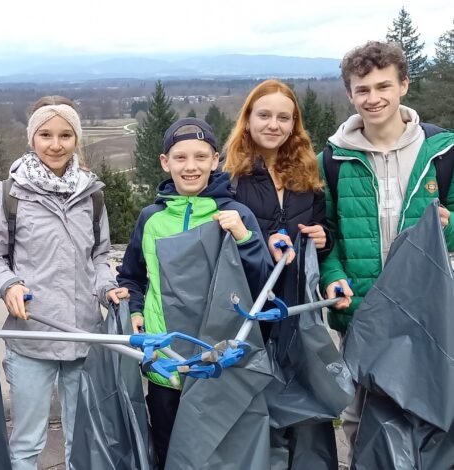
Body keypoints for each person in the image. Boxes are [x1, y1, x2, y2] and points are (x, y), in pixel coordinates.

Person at [319, 40, 454, 458]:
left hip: (431, 309)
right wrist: (332, 276)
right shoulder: (335, 159)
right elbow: (328, 235)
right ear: (350, 94)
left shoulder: (443, 153)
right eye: (363, 89)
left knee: (437, 415)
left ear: (404, 86)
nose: (373, 98)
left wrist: (446, 229)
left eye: (383, 86)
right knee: (362, 422)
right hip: (364, 312)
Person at [0, 95, 127, 469]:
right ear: (32, 138)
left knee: (83, 441)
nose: (56, 144)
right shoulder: (7, 194)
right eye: (46, 134)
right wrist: (8, 284)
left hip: (84, 337)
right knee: (27, 443)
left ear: (77, 139)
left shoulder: (92, 195)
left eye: (65, 135)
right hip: (32, 336)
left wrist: (107, 288)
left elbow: (99, 256)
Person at [116, 117, 273, 467]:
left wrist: (244, 239)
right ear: (165, 162)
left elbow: (262, 283)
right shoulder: (151, 218)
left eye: (201, 157)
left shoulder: (235, 213)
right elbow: (131, 275)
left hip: (218, 358)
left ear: (216, 160)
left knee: (219, 451)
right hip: (165, 360)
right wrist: (136, 309)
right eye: (181, 157)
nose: (191, 166)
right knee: (168, 446)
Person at [222, 79, 336, 467]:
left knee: (303, 397)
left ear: (294, 125)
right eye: (265, 115)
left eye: (283, 117)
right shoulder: (229, 176)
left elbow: (324, 230)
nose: (274, 124)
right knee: (251, 396)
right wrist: (262, 237)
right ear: (248, 120)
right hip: (249, 305)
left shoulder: (307, 174)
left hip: (298, 306)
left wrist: (324, 238)